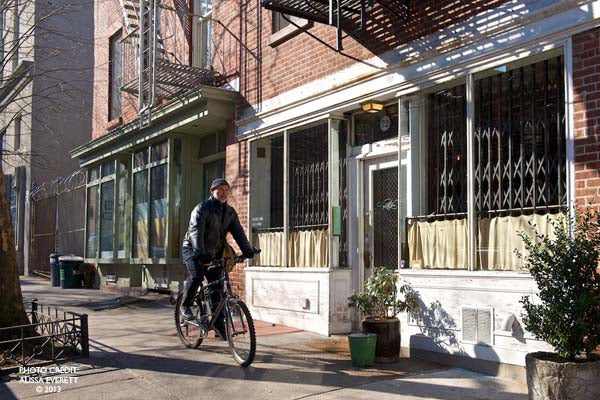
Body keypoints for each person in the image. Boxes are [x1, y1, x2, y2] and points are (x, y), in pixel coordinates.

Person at [181, 178, 254, 337]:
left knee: (217, 288)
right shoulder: (202, 209)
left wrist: (247, 250)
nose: (223, 192)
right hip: (193, 250)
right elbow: (195, 232)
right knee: (197, 275)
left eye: (226, 190)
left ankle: (219, 327)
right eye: (219, 189)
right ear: (212, 191)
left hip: (214, 253)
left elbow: (239, 233)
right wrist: (200, 253)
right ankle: (185, 305)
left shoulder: (230, 212)